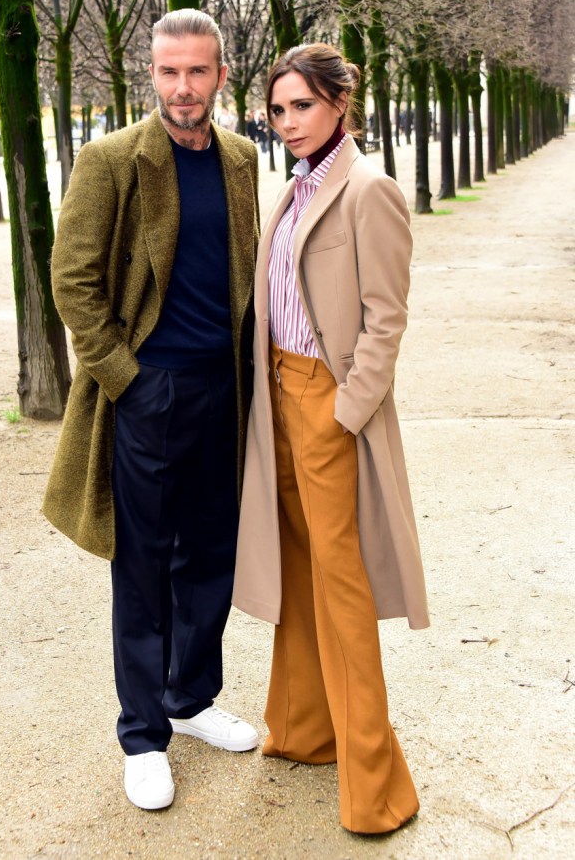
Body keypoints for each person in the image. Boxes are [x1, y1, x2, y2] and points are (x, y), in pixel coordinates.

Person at [43, 9, 260, 814]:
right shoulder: (111, 161)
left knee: (211, 554)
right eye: (169, 72)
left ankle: (192, 698)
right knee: (142, 566)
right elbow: (74, 280)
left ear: (220, 76)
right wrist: (127, 380)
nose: (182, 87)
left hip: (222, 391)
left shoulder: (240, 159)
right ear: (151, 74)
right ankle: (142, 734)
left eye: (197, 71)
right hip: (148, 394)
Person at [233, 43, 429, 835]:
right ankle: (308, 732)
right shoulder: (292, 191)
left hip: (326, 405)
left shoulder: (368, 189)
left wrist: (346, 411)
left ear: (339, 104)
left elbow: (387, 315)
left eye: (302, 106)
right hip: (276, 400)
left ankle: (377, 786)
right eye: (278, 110)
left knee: (341, 589)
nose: (288, 122)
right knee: (299, 574)